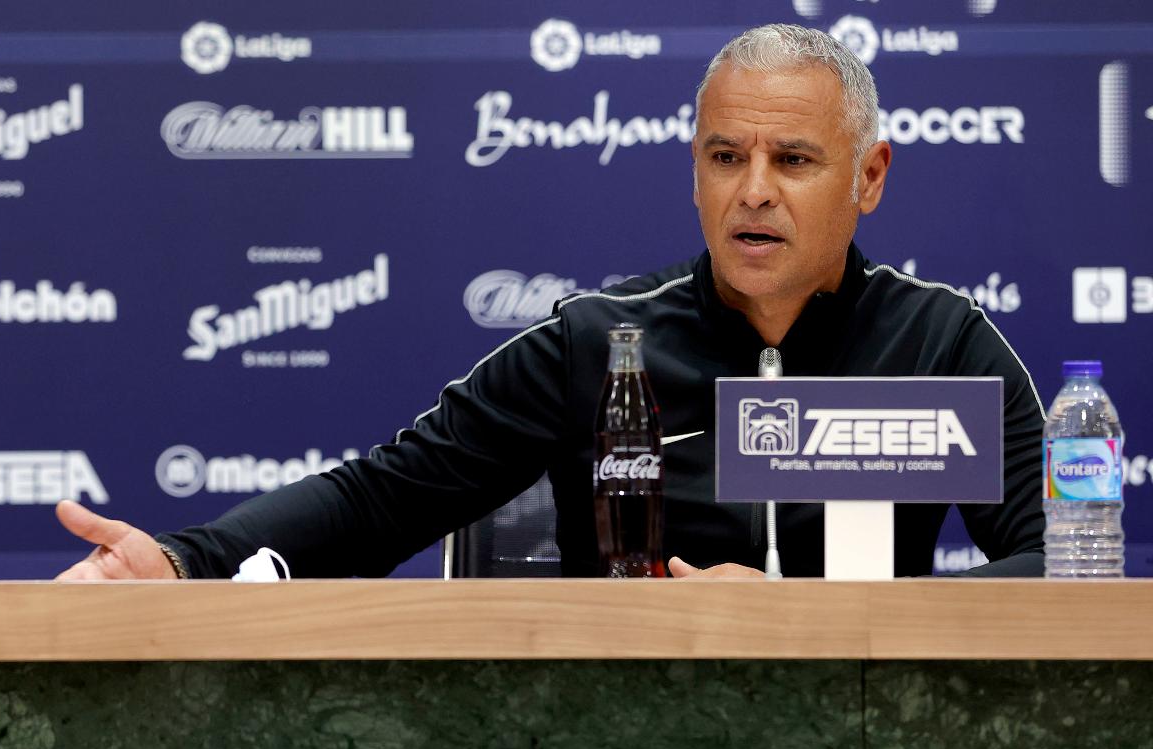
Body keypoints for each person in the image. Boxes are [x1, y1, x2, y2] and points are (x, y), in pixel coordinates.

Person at [56, 24, 1045, 581]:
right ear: (694, 172)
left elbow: (1059, 562)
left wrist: (815, 619)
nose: (753, 190)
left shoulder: (943, 345)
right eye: (724, 157)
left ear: (869, 176)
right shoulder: (601, 342)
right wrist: (182, 562)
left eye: (792, 160)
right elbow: (384, 494)